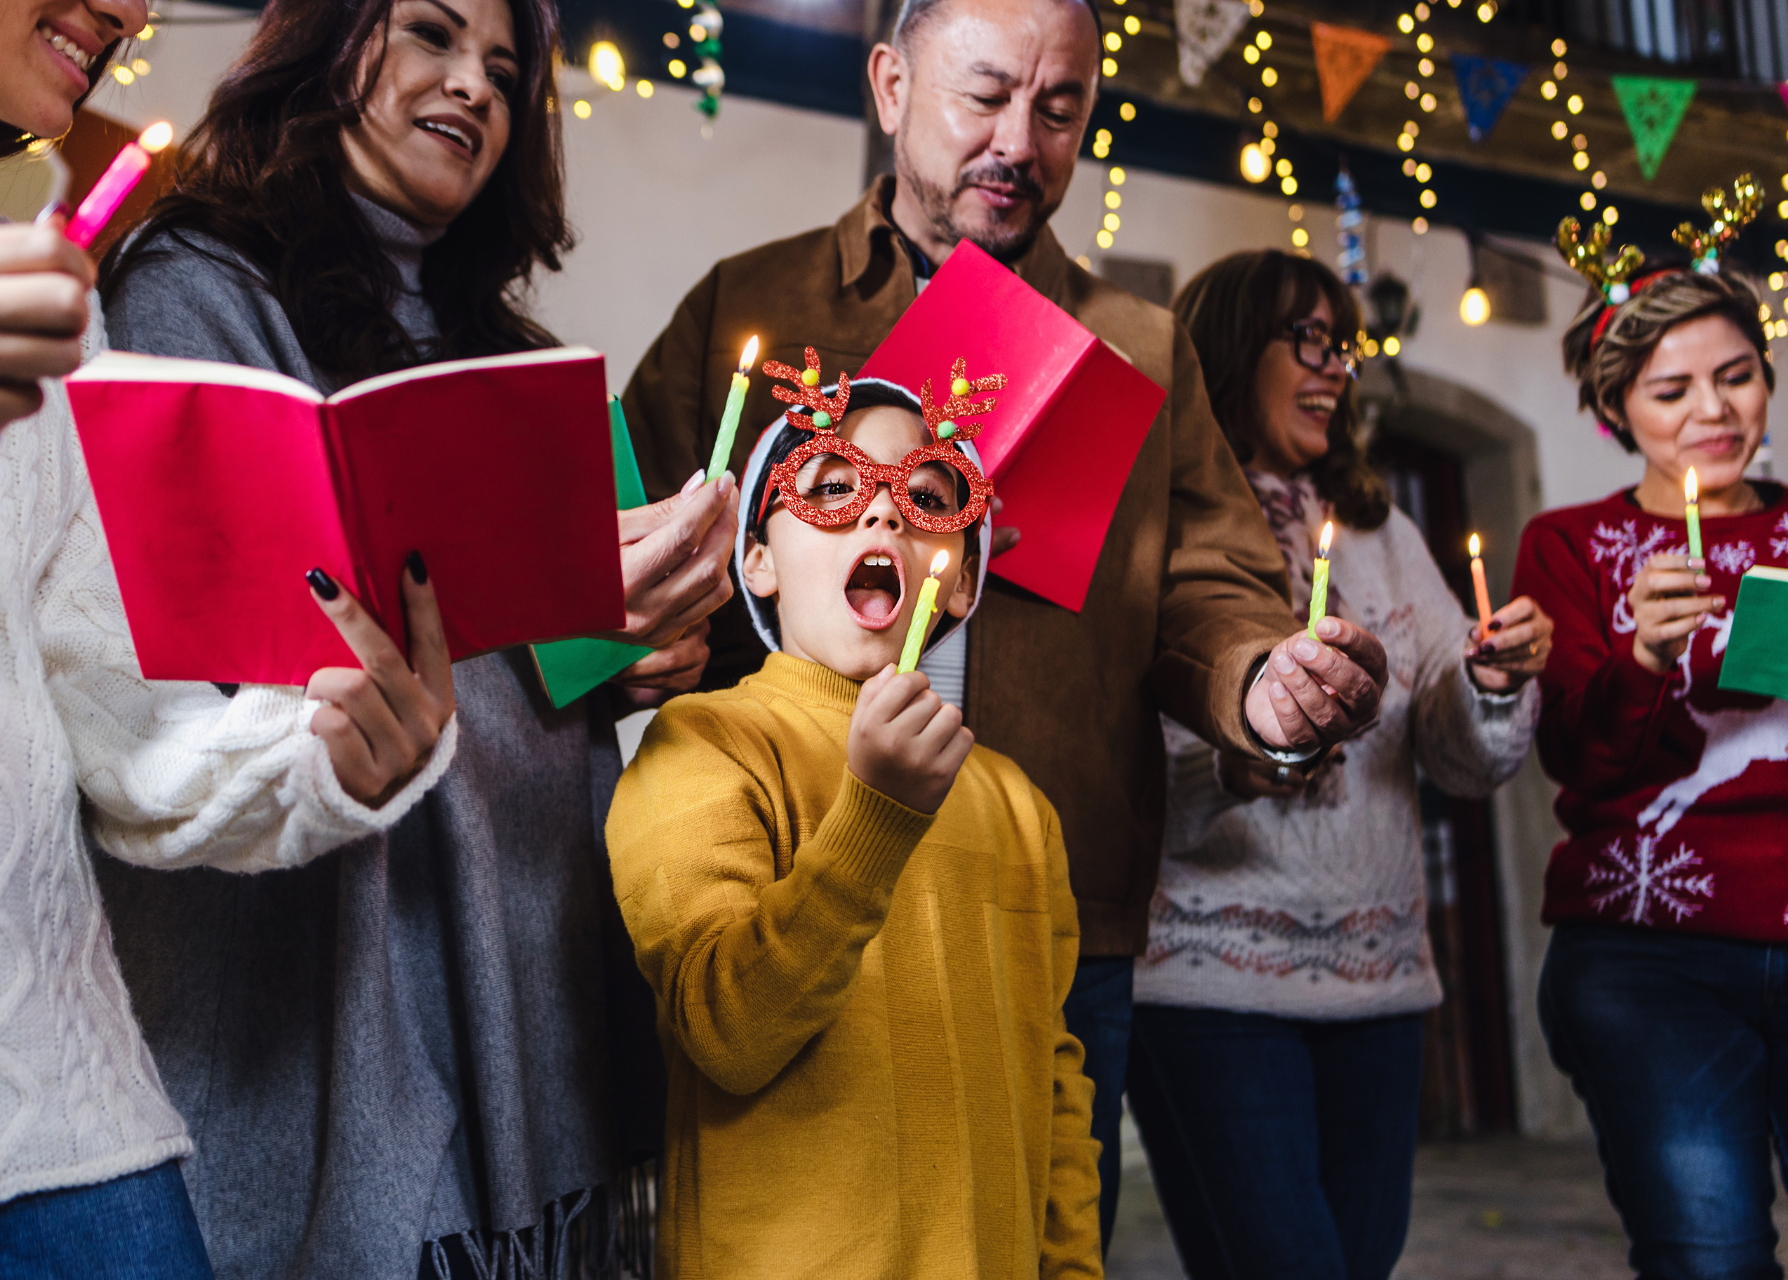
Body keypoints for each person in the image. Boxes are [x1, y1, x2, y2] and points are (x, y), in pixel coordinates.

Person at [619, 0, 1389, 1247]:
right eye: (984, 96)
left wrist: (1264, 680)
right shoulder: (747, 308)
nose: (1020, 142)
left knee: (1033, 1215)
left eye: (1061, 107)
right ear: (887, 84)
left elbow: (1210, 579)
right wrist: (625, 638)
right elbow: (630, 549)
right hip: (791, 879)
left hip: (1043, 897)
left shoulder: (1137, 346)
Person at [89, 0, 737, 1275]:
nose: (475, 86)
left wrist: (623, 650)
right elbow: (242, 649)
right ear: (323, 38)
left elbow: (543, 674)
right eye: (433, 34)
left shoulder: (519, 356)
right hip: (319, 948)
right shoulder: (192, 287)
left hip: (527, 919)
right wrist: (535, 612)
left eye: (504, 68)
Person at [0, 0, 464, 1272]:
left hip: (55, 1133)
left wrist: (320, 754)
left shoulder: (37, 288)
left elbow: (125, 735)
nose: (133, 10)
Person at [607, 357, 1101, 1278]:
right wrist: (873, 819)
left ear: (957, 584)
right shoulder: (702, 746)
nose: (881, 514)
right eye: (830, 487)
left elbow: (1055, 1085)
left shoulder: (1014, 805)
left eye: (925, 498)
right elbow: (725, 1032)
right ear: (755, 561)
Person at [1124, 249, 1551, 1280]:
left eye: (1343, 346)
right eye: (1307, 340)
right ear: (1229, 351)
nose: (1334, 369)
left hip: (1378, 981)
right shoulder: (1153, 522)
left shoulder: (1384, 530)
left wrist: (1490, 681)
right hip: (1209, 980)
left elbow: (1457, 756)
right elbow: (1118, 753)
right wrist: (1235, 765)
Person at [1515, 234, 1788, 1277]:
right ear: (1616, 407)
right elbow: (1576, 761)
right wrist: (1641, 656)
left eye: (1736, 376)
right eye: (1671, 390)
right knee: (1708, 1255)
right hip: (1647, 952)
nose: (1713, 413)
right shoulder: (1572, 544)